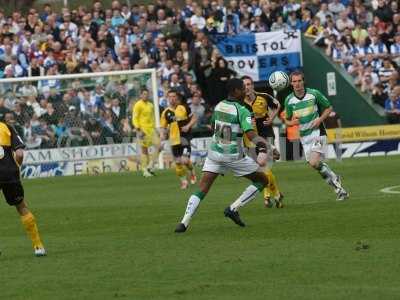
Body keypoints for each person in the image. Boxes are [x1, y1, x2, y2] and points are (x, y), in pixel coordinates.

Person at [175, 78, 269, 233]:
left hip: (214, 153)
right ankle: (234, 208)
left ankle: (184, 222)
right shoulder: (242, 110)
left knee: (202, 188)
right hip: (233, 155)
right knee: (262, 180)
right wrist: (265, 148)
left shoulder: (219, 106)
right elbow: (251, 135)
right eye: (242, 89)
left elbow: (213, 126)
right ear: (235, 91)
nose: (245, 91)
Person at [284, 70, 348, 201]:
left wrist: (319, 120)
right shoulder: (289, 100)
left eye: (299, 81)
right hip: (304, 136)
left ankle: (339, 188)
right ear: (291, 83)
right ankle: (335, 180)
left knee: (314, 162)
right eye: (294, 81)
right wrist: (291, 122)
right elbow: (287, 120)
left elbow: (329, 107)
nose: (297, 84)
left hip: (318, 132)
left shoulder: (314, 94)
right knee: (315, 165)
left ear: (303, 81)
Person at [0, 120, 46, 256]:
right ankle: (38, 246)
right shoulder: (6, 127)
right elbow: (19, 154)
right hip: (10, 174)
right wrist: (16, 168)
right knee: (21, 207)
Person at [242, 75, 284, 208]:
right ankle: (276, 194)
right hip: (251, 137)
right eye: (244, 85)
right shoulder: (240, 102)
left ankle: (270, 196)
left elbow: (277, 105)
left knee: (263, 165)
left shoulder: (264, 97)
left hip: (266, 133)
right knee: (262, 168)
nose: (247, 87)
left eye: (249, 84)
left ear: (253, 85)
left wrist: (271, 118)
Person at [160, 89, 197, 189]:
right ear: (168, 98)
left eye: (174, 96)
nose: (172, 98)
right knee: (177, 162)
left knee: (185, 160)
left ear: (177, 98)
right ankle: (184, 182)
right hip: (174, 140)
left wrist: (188, 126)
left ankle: (192, 172)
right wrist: (162, 136)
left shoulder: (183, 108)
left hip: (185, 138)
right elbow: (163, 127)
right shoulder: (165, 113)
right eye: (170, 97)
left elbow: (194, 118)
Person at [132, 88, 159, 177]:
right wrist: (138, 130)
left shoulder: (150, 105)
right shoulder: (138, 105)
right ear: (140, 95)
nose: (145, 95)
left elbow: (152, 118)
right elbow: (135, 118)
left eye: (147, 94)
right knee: (145, 150)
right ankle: (145, 170)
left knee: (159, 146)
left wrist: (155, 128)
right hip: (143, 130)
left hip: (151, 130)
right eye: (143, 94)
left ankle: (150, 166)